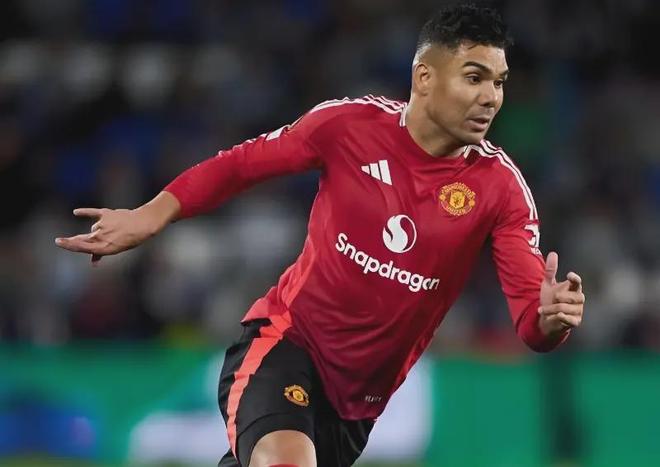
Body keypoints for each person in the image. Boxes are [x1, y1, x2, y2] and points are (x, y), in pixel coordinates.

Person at [55, 4, 586, 467]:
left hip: (356, 408)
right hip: (285, 344)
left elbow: (531, 323)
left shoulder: (501, 189)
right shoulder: (348, 126)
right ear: (424, 77)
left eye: (499, 82)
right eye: (474, 77)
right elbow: (240, 166)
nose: (491, 97)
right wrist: (151, 215)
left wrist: (550, 320)